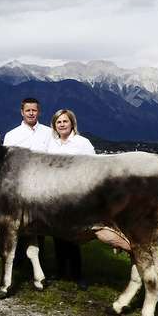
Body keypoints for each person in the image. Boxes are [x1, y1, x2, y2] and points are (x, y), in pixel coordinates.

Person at [46, 109, 95, 290]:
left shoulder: (82, 143)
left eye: (65, 121)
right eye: (58, 122)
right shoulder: (51, 144)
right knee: (57, 234)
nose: (62, 124)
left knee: (73, 235)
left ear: (72, 123)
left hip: (76, 194)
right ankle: (60, 271)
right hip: (54, 195)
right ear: (54, 125)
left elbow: (93, 167)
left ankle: (77, 275)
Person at [3, 98, 53, 268]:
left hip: (43, 186)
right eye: (28, 110)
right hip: (19, 187)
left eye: (34, 110)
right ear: (22, 112)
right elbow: (7, 164)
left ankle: (40, 263)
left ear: (39, 112)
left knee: (40, 224)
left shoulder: (49, 133)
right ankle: (18, 262)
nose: (31, 113)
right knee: (17, 224)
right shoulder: (12, 135)